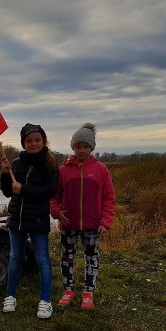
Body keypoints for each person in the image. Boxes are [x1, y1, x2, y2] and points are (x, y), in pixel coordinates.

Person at [50, 123, 116, 309]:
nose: (82, 150)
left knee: (91, 259)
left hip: (92, 226)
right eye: (78, 146)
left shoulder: (101, 169)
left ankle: (88, 293)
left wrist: (106, 221)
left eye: (86, 146)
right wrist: (55, 212)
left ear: (92, 148)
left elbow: (109, 198)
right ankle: (68, 291)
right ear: (73, 147)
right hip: (68, 225)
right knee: (67, 258)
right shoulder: (63, 170)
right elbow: (53, 197)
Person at [1, 123, 60, 319]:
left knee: (42, 258)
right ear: (24, 143)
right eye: (29, 141)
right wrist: (4, 173)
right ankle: (10, 296)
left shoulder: (50, 164)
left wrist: (24, 189)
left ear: (43, 142)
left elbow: (49, 191)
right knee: (15, 257)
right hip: (17, 219)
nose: (33, 143)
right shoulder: (17, 163)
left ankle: (45, 301)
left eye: (37, 140)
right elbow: (8, 191)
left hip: (37, 219)